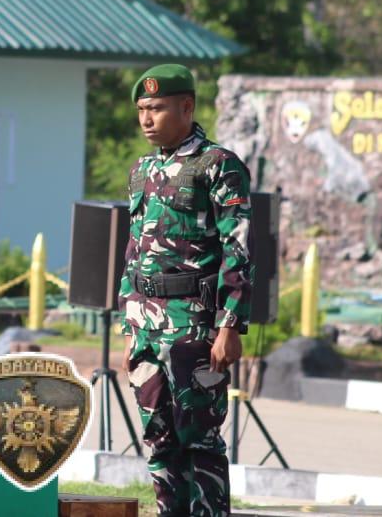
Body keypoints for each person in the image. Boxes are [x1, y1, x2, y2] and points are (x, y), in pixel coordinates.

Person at [117, 64, 252, 517]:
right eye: (141, 109)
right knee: (158, 438)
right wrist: (128, 326)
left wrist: (229, 326)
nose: (146, 118)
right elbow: (134, 250)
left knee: (200, 440)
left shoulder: (218, 166)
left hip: (194, 325)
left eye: (156, 108)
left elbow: (239, 250)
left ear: (187, 106)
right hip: (146, 327)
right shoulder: (141, 170)